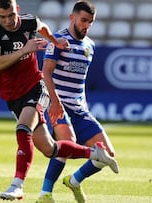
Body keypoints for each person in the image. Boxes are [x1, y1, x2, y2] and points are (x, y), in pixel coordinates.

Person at [0, 0, 118, 201]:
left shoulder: (31, 23)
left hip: (40, 89)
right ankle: (94, 154)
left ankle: (21, 186)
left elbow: (43, 28)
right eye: (2, 16)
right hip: (22, 96)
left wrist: (54, 41)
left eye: (11, 15)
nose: (8, 21)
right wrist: (27, 49)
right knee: (50, 148)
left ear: (17, 10)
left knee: (24, 129)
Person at [36, 1, 118, 202]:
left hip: (80, 109)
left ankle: (74, 181)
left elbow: (79, 80)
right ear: (72, 17)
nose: (86, 25)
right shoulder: (58, 40)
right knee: (67, 143)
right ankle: (45, 194)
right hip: (58, 104)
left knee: (109, 153)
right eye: (83, 20)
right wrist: (55, 103)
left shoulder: (90, 45)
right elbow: (45, 73)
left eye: (90, 22)